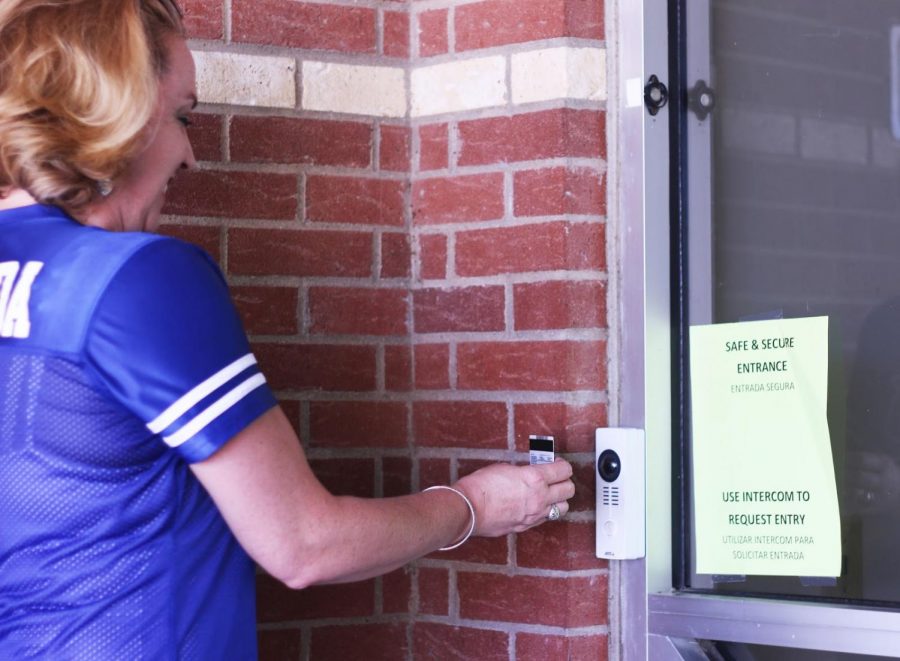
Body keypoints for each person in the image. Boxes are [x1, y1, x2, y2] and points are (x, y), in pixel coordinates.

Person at [0, 1, 576, 658]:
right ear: (120, 109)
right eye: (182, 116)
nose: (190, 156)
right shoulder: (138, 278)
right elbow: (304, 543)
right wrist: (474, 505)